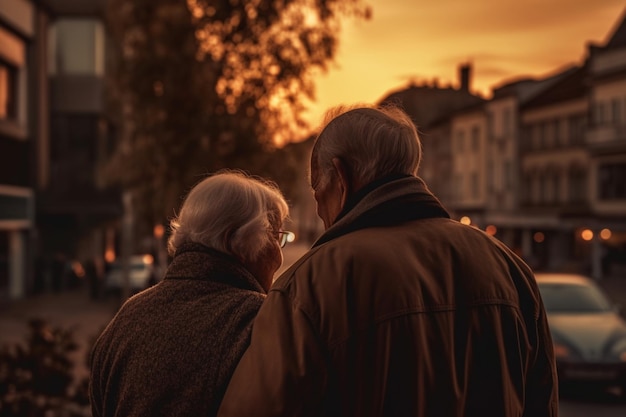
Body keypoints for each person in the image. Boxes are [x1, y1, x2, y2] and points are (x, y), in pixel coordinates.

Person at [217, 105, 558, 417]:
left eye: (318, 192)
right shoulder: (510, 271)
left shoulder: (310, 286)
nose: (320, 212)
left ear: (341, 178)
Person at [89, 170, 293, 417]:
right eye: (276, 238)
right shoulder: (259, 319)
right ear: (235, 241)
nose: (280, 256)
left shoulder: (127, 317)